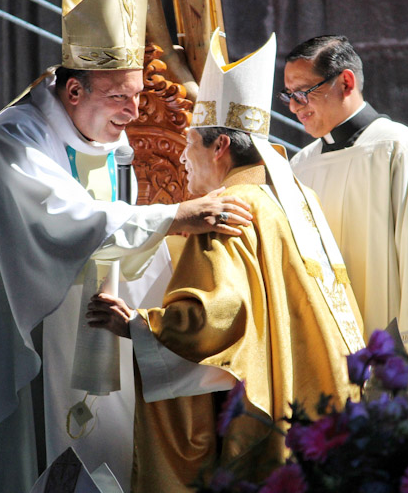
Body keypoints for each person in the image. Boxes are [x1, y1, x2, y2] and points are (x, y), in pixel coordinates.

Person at [0, 0, 253, 493]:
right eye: (119, 97)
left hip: (78, 340)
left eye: (138, 96)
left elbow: (116, 246)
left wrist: (163, 320)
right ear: (74, 92)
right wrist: (176, 217)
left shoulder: (109, 143)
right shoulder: (13, 139)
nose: (132, 113)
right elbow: (65, 222)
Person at [87, 33, 365, 491]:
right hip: (328, 398)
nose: (181, 157)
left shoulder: (225, 209)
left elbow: (218, 314)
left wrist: (137, 325)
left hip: (273, 416)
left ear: (219, 148)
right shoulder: (297, 198)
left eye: (189, 143)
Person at [282, 35, 408, 385]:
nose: (294, 106)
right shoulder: (299, 168)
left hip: (393, 371)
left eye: (303, 92)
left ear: (346, 82)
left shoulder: (402, 151)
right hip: (328, 367)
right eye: (289, 95)